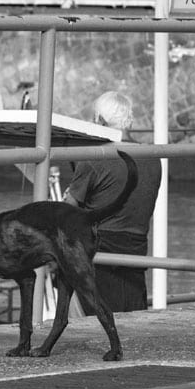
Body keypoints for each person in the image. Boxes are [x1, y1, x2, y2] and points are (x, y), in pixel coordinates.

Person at [62, 90, 162, 312]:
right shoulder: (153, 158)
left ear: (99, 120)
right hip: (136, 251)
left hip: (98, 255)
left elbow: (67, 211)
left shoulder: (96, 157)